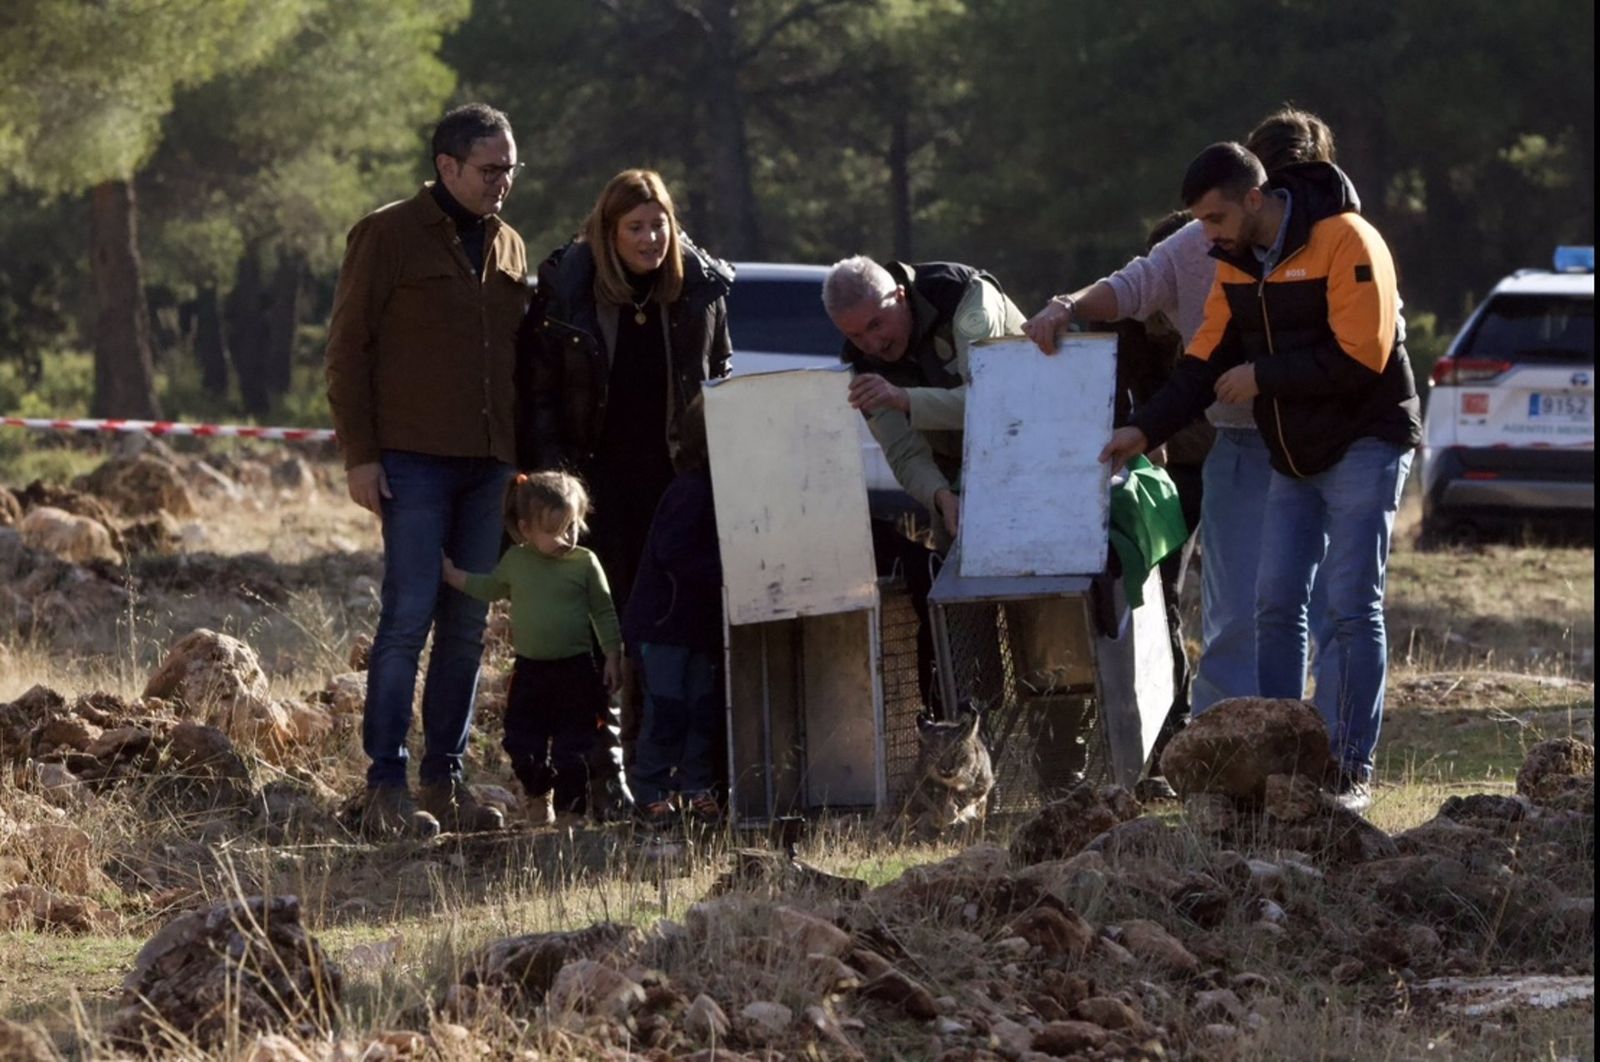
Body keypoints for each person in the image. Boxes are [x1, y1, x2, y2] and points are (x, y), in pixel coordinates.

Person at [1101, 142, 1421, 812]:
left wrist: (1261, 376)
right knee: (1274, 604)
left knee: (1351, 604)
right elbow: (1200, 362)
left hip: (1368, 439)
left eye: (1214, 218)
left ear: (1255, 198)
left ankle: (1349, 768)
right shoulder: (1235, 264)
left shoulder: (1348, 240)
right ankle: (1282, 760)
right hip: (1295, 452)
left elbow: (1365, 354)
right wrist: (1143, 430)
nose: (1206, 235)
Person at [1022, 107, 1344, 718]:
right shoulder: (1202, 244)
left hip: (1328, 438)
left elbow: (1367, 347)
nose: (1280, 203)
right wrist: (1067, 304)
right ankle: (1228, 746)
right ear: (1251, 190)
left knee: (1334, 605)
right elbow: (1137, 287)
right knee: (1240, 613)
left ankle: (1331, 747)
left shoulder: (1342, 238)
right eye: (1273, 186)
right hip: (1241, 444)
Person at [325, 103, 529, 839]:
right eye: (489, 170)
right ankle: (385, 787)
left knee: (468, 628)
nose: (502, 183)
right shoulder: (387, 235)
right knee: (407, 619)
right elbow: (348, 350)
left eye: (510, 169)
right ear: (447, 166)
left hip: (489, 469)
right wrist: (361, 455)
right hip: (411, 462)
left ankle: (445, 782)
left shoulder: (509, 244)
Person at [519, 169, 733, 805]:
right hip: (593, 486)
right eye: (634, 227)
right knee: (597, 633)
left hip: (678, 488)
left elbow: (720, 378)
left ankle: (670, 777)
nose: (650, 238)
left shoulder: (701, 288)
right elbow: (539, 394)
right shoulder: (571, 288)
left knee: (672, 633)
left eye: (658, 223)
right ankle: (596, 779)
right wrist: (553, 484)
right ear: (608, 233)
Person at [442, 472, 623, 825]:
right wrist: (454, 577)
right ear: (526, 530)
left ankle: (572, 811)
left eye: (573, 526)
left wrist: (613, 654)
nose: (567, 538)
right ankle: (539, 794)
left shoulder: (584, 563)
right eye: (556, 530)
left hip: (576, 673)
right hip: (531, 672)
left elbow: (603, 611)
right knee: (522, 742)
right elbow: (491, 588)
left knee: (576, 748)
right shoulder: (516, 562)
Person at [821, 256, 1025, 547]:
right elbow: (903, 452)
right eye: (855, 336)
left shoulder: (963, 295)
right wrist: (941, 497)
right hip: (958, 481)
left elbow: (991, 406)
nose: (873, 344)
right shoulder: (861, 364)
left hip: (1033, 451)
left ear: (900, 296)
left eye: (876, 324)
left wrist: (903, 398)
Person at [623, 395, 725, 827]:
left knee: (702, 706)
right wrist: (725, 570)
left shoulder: (717, 488)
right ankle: (650, 791)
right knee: (666, 707)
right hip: (664, 625)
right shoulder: (692, 488)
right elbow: (671, 552)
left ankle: (696, 788)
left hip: (698, 627)